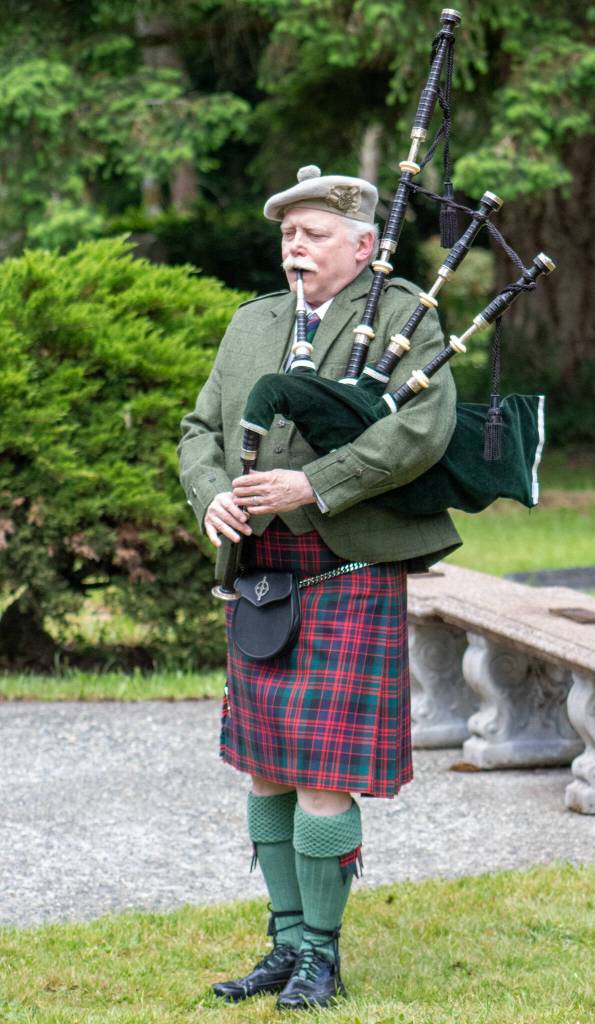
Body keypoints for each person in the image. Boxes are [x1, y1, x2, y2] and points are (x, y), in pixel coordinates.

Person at [177, 165, 461, 1010]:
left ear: (364, 245)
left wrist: (314, 483)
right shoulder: (252, 323)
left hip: (346, 567)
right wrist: (211, 494)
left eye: (313, 234)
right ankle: (284, 940)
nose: (294, 248)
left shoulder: (405, 316)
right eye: (287, 235)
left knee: (320, 773)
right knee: (264, 767)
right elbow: (199, 429)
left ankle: (320, 956)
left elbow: (422, 431)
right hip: (261, 571)